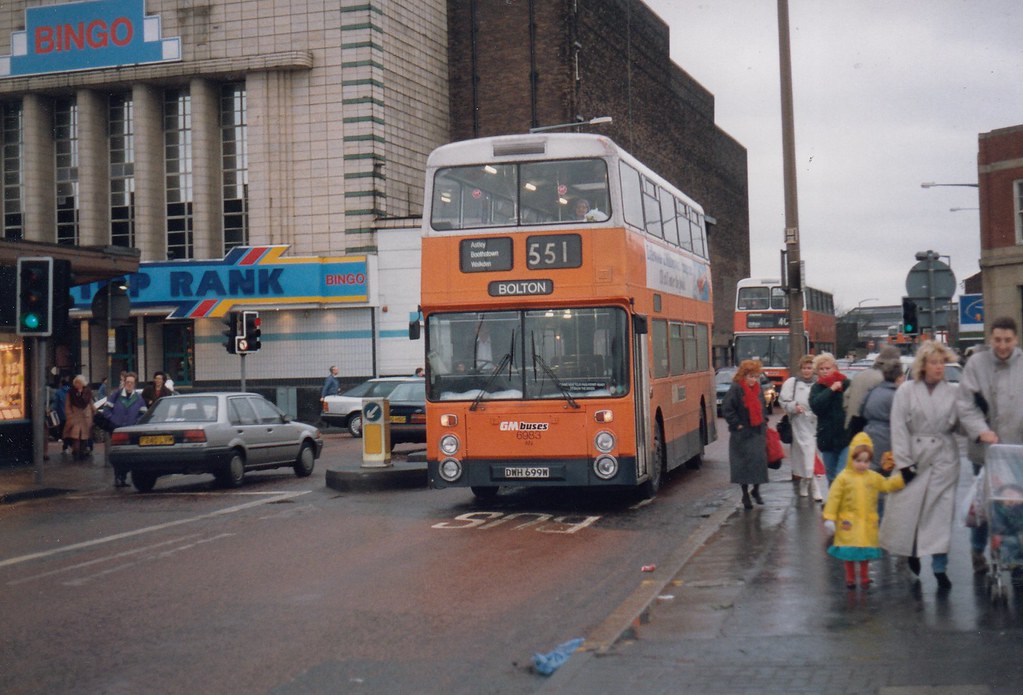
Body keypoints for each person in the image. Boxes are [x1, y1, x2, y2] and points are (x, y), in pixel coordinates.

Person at [879, 340, 960, 590]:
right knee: (910, 512)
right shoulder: (906, 391)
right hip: (915, 456)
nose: (939, 367)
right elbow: (898, 426)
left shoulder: (953, 392)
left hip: (944, 460)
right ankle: (912, 550)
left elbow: (961, 425)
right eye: (934, 363)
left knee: (940, 516)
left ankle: (940, 567)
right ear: (923, 365)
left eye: (942, 363)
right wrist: (904, 463)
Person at [956, 316, 1023, 575]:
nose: (1002, 346)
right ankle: (977, 548)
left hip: (1016, 450)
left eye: (1007, 340)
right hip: (987, 451)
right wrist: (980, 430)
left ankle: (1014, 554)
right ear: (990, 339)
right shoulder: (977, 364)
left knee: (1014, 504)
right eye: (997, 340)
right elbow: (965, 403)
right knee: (984, 503)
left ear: (1015, 339)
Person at [823, 432, 907, 589]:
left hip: (867, 522)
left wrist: (902, 479)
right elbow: (834, 498)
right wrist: (830, 518)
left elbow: (886, 485)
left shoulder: (872, 477)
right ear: (851, 459)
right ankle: (850, 577)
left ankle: (864, 576)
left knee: (864, 552)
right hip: (849, 522)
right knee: (848, 552)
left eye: (866, 461)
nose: (862, 464)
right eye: (858, 460)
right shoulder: (843, 478)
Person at [722, 359, 769, 510]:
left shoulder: (758, 389)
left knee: (759, 463)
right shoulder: (736, 389)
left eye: (756, 376)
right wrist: (737, 424)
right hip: (741, 434)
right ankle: (745, 494)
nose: (753, 380)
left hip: (757, 431)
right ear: (743, 375)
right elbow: (727, 408)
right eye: (750, 376)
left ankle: (756, 490)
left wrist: (764, 420)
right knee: (743, 466)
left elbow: (763, 407)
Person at [861, 357, 905, 518]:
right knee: (886, 479)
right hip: (888, 437)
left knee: (872, 476)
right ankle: (881, 519)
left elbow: (862, 410)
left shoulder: (873, 391)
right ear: (899, 377)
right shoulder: (896, 395)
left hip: (870, 434)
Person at [779, 354, 822, 501]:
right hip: (799, 422)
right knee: (806, 452)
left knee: (812, 453)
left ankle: (806, 480)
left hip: (816, 423)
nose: (806, 371)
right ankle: (813, 484)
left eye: (809, 368)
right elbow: (784, 401)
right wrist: (794, 407)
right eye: (804, 368)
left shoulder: (819, 383)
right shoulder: (792, 383)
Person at [809, 352, 851, 485]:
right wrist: (831, 390)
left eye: (828, 368)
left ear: (835, 368)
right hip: (827, 437)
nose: (825, 371)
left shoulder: (847, 384)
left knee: (842, 474)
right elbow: (816, 406)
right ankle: (834, 497)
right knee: (831, 476)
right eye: (821, 369)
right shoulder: (817, 388)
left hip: (846, 436)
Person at [844, 345, 902, 434]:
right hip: (871, 428)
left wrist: (851, 411)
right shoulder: (884, 380)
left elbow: (846, 396)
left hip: (852, 424)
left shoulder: (859, 375)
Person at [104, 372, 146, 487]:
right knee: (118, 453)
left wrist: (136, 423)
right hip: (117, 430)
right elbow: (106, 409)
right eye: (127, 382)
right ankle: (118, 477)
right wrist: (113, 420)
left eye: (132, 382)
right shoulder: (116, 395)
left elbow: (143, 413)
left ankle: (123, 477)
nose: (129, 384)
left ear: (135, 384)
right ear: (124, 382)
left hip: (131, 431)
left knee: (129, 454)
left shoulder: (138, 398)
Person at [63, 375, 95, 460]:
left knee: (84, 436)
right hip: (75, 417)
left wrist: (94, 413)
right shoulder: (71, 392)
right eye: (76, 383)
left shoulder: (87, 391)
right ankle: (76, 452)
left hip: (86, 417)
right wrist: (69, 415)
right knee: (75, 436)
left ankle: (82, 453)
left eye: (79, 383)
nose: (78, 384)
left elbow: (90, 403)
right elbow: (67, 405)